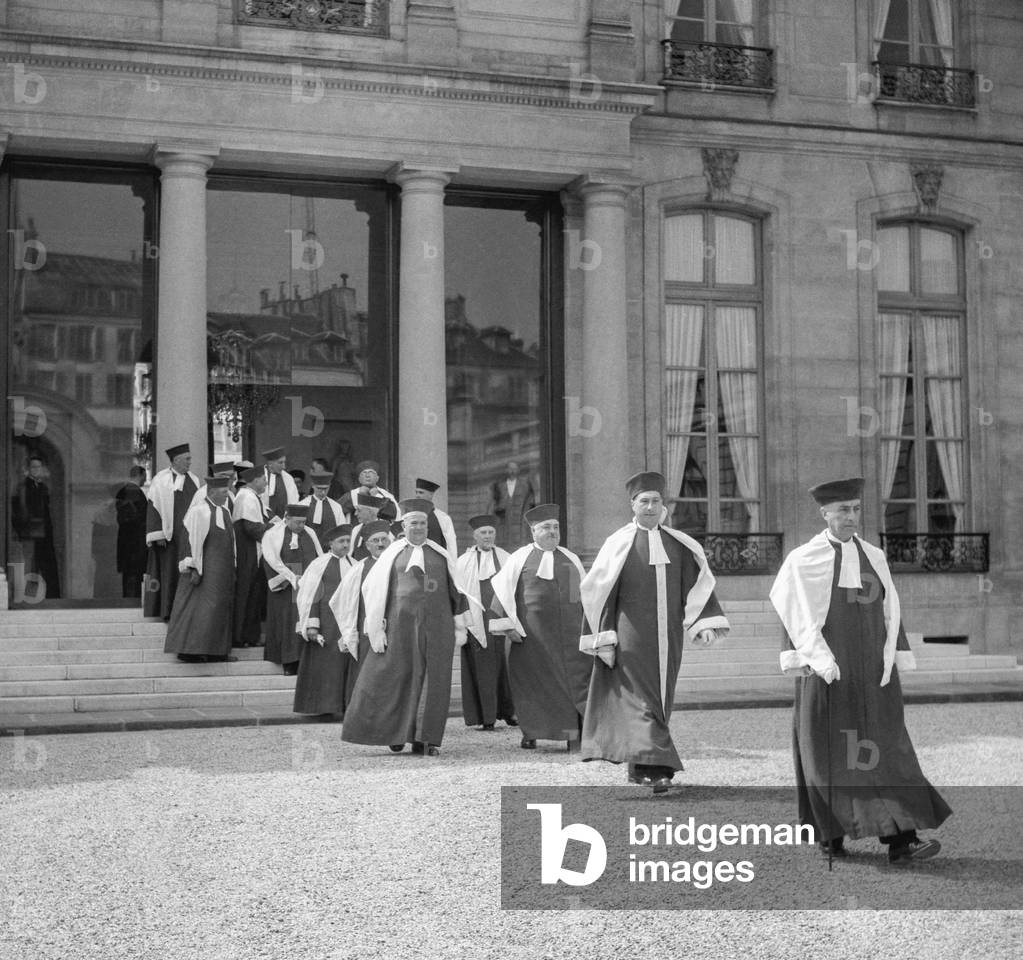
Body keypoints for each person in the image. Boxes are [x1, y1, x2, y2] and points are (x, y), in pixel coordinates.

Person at [770, 476, 952, 862]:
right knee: (828, 754)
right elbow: (792, 617)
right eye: (842, 510)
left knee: (889, 752)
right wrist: (807, 660)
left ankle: (903, 841)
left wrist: (896, 654)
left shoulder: (874, 556)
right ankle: (830, 835)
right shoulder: (802, 561)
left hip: (873, 675)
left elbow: (892, 613)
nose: (851, 517)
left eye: (855, 509)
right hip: (827, 675)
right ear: (825, 514)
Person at [580, 471, 730, 793]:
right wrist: (603, 637)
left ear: (664, 505)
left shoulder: (678, 545)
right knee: (642, 703)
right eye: (643, 501)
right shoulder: (618, 544)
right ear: (632, 505)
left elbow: (697, 587)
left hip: (669, 638)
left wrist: (702, 623)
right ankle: (663, 770)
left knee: (659, 703)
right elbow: (599, 592)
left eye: (656, 501)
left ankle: (641, 769)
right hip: (631, 637)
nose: (650, 507)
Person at [341, 499, 472, 757]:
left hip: (437, 628)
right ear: (404, 525)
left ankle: (425, 739)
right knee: (394, 678)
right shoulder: (392, 554)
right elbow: (375, 590)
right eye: (414, 523)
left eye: (423, 523)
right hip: (399, 627)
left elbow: (455, 590)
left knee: (433, 683)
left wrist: (461, 624)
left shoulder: (440, 553)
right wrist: (377, 625)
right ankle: (396, 733)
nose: (419, 527)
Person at [489, 504, 590, 752]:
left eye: (556, 527)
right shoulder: (519, 558)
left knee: (572, 683)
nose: (553, 532)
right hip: (531, 636)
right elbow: (501, 592)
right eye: (546, 527)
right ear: (533, 531)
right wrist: (508, 626)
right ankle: (531, 732)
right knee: (531, 686)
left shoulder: (571, 558)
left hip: (569, 635)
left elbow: (586, 595)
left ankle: (572, 734)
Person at [163, 476, 237, 664]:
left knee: (219, 609)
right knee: (200, 610)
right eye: (223, 492)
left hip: (223, 571)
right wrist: (193, 567)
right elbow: (190, 541)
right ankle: (190, 650)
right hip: (205, 570)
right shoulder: (199, 512)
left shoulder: (226, 511)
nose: (226, 495)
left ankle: (217, 651)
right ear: (211, 492)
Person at [456, 515, 516, 731]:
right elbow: (460, 593)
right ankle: (486, 715)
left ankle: (510, 711)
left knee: (506, 665)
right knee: (482, 667)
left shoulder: (507, 558)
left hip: (500, 617)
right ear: (475, 536)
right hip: (476, 620)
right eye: (483, 533)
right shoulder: (463, 562)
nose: (488, 536)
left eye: (491, 532)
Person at [292, 524, 357, 718]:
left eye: (347, 541)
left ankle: (346, 706)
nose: (345, 545)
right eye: (341, 541)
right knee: (326, 666)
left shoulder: (355, 564)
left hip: (348, 623)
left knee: (346, 666)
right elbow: (310, 595)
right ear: (330, 544)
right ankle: (323, 706)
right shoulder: (319, 564)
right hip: (326, 623)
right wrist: (312, 625)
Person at [330, 518, 393, 712]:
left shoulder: (399, 563)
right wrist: (350, 629)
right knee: (367, 670)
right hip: (367, 629)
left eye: (384, 539)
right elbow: (341, 600)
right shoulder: (359, 568)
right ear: (367, 545)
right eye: (375, 540)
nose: (380, 544)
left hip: (395, 627)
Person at [261, 502, 322, 675]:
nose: (301, 526)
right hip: (286, 585)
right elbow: (271, 560)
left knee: (305, 619)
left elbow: (319, 556)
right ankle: (289, 661)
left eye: (304, 522)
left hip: (307, 583)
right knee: (288, 621)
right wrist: (290, 577)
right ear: (286, 519)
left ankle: (305, 660)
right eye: (297, 522)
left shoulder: (310, 533)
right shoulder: (273, 535)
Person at [144, 443, 200, 619]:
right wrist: (158, 533)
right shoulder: (160, 480)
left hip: (188, 537)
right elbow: (153, 507)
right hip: (168, 538)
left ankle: (185, 611)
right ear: (176, 460)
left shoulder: (194, 480)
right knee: (168, 573)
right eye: (187, 459)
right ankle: (167, 610)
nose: (190, 462)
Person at [11, 454, 61, 600]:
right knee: (31, 565)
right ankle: (29, 597)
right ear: (28, 469)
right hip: (31, 533)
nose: (36, 470)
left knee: (45, 565)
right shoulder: (23, 487)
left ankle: (49, 596)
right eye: (33, 467)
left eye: (38, 467)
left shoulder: (44, 487)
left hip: (44, 533)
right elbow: (19, 510)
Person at [231, 466, 271, 648]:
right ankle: (242, 636)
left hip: (252, 552)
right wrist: (275, 528)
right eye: (264, 479)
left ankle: (250, 635)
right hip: (247, 553)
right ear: (255, 480)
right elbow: (252, 528)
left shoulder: (251, 496)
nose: (266, 483)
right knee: (246, 594)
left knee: (252, 596)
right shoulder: (247, 497)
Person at [487, 460, 536, 550]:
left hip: (520, 526)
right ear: (506, 470)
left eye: (514, 468)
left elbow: (530, 504)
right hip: (504, 526)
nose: (512, 471)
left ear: (518, 470)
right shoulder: (499, 486)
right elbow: (493, 506)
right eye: (510, 468)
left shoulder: (525, 485)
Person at [115, 466, 148, 598]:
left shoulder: (125, 491)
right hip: (134, 544)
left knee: (129, 575)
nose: (146, 480)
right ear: (140, 475)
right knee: (133, 577)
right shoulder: (133, 491)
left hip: (127, 542)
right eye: (145, 476)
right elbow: (136, 519)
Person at [412, 477, 457, 558]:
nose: (417, 495)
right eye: (416, 492)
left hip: (436, 561)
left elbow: (451, 545)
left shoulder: (443, 518)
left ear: (431, 495)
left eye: (421, 493)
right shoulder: (410, 516)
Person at [300, 472, 347, 548]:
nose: (323, 492)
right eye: (319, 488)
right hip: (308, 548)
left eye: (326, 489)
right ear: (313, 486)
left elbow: (341, 530)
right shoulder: (303, 505)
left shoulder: (336, 506)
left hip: (329, 549)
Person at [260, 446, 299, 520]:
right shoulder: (260, 477)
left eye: (284, 462)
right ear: (270, 464)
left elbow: (294, 501)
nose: (284, 467)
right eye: (280, 463)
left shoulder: (288, 478)